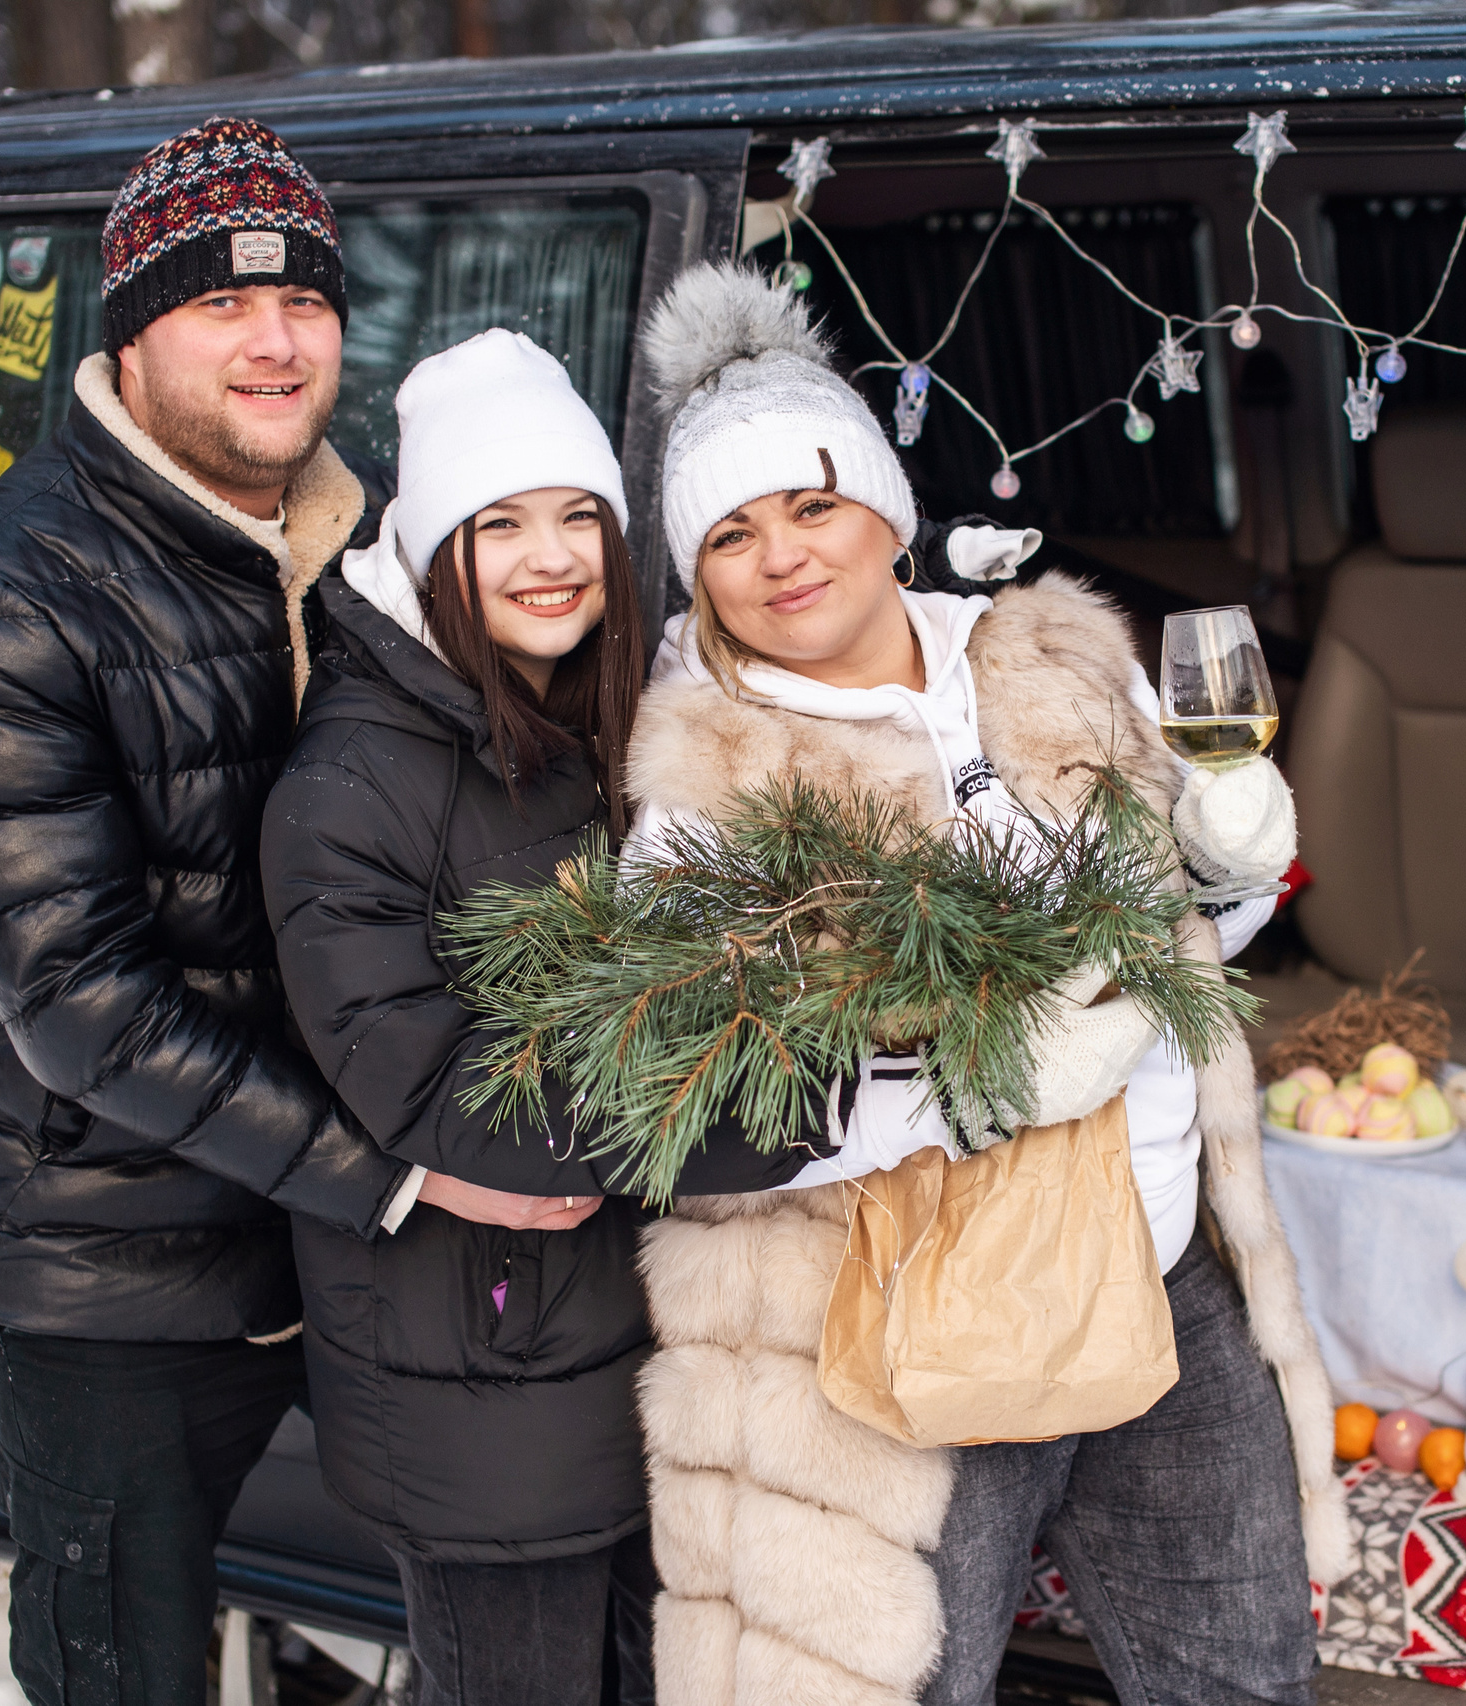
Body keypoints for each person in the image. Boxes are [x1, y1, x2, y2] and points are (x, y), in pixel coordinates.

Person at [623, 263, 1353, 1706]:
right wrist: (970, 1087)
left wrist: (1229, 859)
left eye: (813, 505)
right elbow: (686, 1097)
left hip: (1152, 1273)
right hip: (891, 1314)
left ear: (886, 509)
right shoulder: (705, 781)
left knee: (1243, 1675)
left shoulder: (1056, 651)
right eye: (731, 532)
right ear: (696, 570)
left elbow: (1188, 936)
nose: (782, 556)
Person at [259, 330, 877, 1706]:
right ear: (434, 551)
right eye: (502, 524)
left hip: (602, 1345)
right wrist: (796, 1111)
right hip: (473, 1373)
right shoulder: (355, 780)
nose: (551, 557)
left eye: (575, 517)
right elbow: (442, 1091)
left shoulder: (594, 730)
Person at [0, 117, 415, 1706]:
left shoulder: (360, 544)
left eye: (305, 304)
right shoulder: (1, 592)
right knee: (123, 1670)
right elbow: (76, 1002)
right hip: (104, 1261)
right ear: (134, 332)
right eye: (222, 306)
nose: (275, 342)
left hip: (322, 1234)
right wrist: (397, 1174)